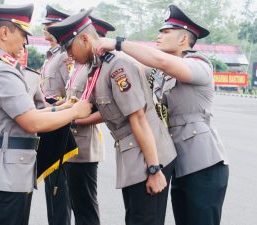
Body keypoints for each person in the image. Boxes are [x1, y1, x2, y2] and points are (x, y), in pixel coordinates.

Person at [93, 4, 230, 225]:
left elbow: (160, 60)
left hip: (204, 166)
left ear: (183, 40)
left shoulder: (199, 65)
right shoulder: (160, 73)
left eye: (166, 32)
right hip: (179, 165)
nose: (159, 35)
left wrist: (119, 43)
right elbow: (134, 67)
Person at [47, 9, 177, 225]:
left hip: (149, 156)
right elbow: (84, 105)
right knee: (135, 218)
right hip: (132, 155)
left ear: (85, 39)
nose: (68, 56)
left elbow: (139, 119)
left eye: (69, 48)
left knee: (145, 219)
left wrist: (155, 169)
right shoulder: (96, 67)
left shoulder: (116, 66)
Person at [0, 4, 92, 225]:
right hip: (6, 175)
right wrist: (74, 111)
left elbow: (22, 113)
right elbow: (31, 121)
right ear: (4, 33)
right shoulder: (1, 70)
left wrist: (59, 108)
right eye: (22, 34)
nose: (25, 41)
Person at [64, 15, 115, 225]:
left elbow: (107, 110)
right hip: (71, 146)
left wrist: (72, 120)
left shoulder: (99, 68)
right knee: (78, 206)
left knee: (85, 210)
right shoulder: (81, 67)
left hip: (84, 149)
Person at [39, 5, 72, 225]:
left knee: (60, 196)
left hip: (62, 129)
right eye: (44, 26)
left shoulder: (64, 57)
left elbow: (72, 93)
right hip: (49, 126)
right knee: (52, 193)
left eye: (49, 26)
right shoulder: (51, 56)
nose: (45, 31)